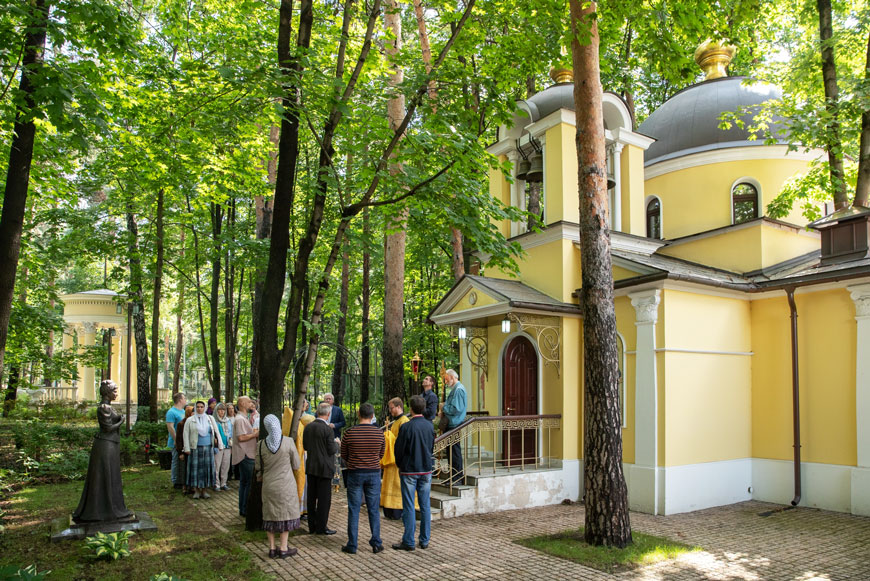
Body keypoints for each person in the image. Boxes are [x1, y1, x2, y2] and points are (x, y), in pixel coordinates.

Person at [73, 380, 132, 523]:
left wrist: (118, 419)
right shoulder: (103, 408)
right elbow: (107, 428)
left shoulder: (109, 407)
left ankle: (110, 505)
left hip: (110, 444)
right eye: (115, 391)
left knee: (111, 474)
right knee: (104, 474)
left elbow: (111, 421)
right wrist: (121, 422)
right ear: (107, 392)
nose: (116, 393)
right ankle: (101, 508)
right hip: (105, 444)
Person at [340, 403, 386, 554]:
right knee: (374, 509)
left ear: (359, 414)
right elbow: (381, 454)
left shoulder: (349, 433)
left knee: (354, 509)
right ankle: (376, 542)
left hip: (355, 473)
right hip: (373, 473)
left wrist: (354, 460)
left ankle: (352, 544)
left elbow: (344, 455)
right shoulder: (379, 433)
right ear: (372, 416)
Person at [393, 395, 435, 551]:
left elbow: (399, 450)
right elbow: (431, 447)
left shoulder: (406, 427)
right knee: (425, 505)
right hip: (425, 469)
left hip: (410, 470)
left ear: (410, 408)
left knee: (409, 505)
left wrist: (400, 464)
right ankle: (424, 540)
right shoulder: (429, 426)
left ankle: (409, 541)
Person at [257, 414, 302, 559]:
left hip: (268, 485)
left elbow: (258, 467)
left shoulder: (260, 445)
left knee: (269, 515)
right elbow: (296, 465)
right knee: (285, 515)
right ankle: (283, 548)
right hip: (286, 485)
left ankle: (271, 548)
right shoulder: (288, 442)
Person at [303, 402, 339, 535]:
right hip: (325, 468)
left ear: (317, 412)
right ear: (328, 414)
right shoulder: (328, 429)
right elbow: (331, 449)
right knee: (324, 499)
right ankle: (321, 527)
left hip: (311, 466)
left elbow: (305, 446)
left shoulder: (308, 427)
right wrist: (336, 444)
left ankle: (312, 526)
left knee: (311, 497)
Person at [381, 397, 415, 520]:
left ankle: (396, 510)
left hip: (397, 459)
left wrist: (389, 438)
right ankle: (389, 510)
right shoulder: (396, 421)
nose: (390, 411)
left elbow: (403, 441)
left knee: (396, 485)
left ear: (399, 407)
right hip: (391, 458)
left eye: (392, 408)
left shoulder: (404, 421)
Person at [183, 400, 223, 499]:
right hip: (195, 448)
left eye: (201, 407)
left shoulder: (210, 418)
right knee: (196, 470)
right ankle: (196, 490)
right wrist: (187, 448)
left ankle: (204, 490)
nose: (200, 409)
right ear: (195, 408)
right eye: (198, 407)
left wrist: (220, 445)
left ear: (204, 408)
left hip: (208, 448)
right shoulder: (190, 420)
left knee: (206, 469)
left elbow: (216, 432)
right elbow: (185, 434)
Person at [282, 400, 314, 519]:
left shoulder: (300, 419)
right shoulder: (293, 420)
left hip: (302, 454)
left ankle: (303, 509)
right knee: (298, 482)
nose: (307, 405)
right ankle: (298, 509)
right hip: (298, 454)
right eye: (305, 404)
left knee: (303, 483)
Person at [232, 395, 259, 517]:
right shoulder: (240, 419)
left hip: (246, 453)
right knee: (248, 482)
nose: (251, 404)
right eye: (249, 402)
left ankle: (242, 508)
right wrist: (255, 434)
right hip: (246, 454)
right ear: (242, 404)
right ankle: (245, 508)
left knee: (244, 482)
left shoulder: (243, 418)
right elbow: (241, 437)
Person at [441, 369, 467, 484]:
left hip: (455, 425)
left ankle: (457, 477)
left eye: (447, 380)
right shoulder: (455, 389)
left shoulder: (459, 390)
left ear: (452, 377)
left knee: (454, 452)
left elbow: (456, 409)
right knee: (451, 452)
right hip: (452, 424)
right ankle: (453, 477)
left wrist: (443, 407)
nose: (446, 382)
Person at [166, 392, 187, 488]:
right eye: (184, 398)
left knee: (182, 461)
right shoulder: (171, 412)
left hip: (184, 441)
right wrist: (176, 439)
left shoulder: (183, 411)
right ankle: (175, 480)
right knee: (176, 459)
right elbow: (170, 427)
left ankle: (182, 479)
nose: (185, 400)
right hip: (176, 441)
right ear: (180, 400)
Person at [175, 405, 194, 495]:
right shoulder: (181, 424)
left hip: (193, 449)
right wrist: (180, 452)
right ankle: (184, 486)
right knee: (184, 469)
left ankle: (192, 486)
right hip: (184, 450)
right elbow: (179, 439)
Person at [214, 403, 233, 491]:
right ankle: (216, 484)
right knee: (217, 465)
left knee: (226, 465)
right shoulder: (213, 421)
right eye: (220, 410)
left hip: (228, 446)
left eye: (223, 410)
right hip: (218, 446)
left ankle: (223, 483)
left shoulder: (228, 421)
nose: (221, 412)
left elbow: (231, 433)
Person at [226, 402, 239, 481]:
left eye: (232, 408)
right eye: (229, 409)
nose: (231, 410)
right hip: (230, 440)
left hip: (237, 440)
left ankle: (237, 474)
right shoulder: (226, 419)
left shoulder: (236, 418)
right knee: (229, 458)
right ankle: (229, 474)